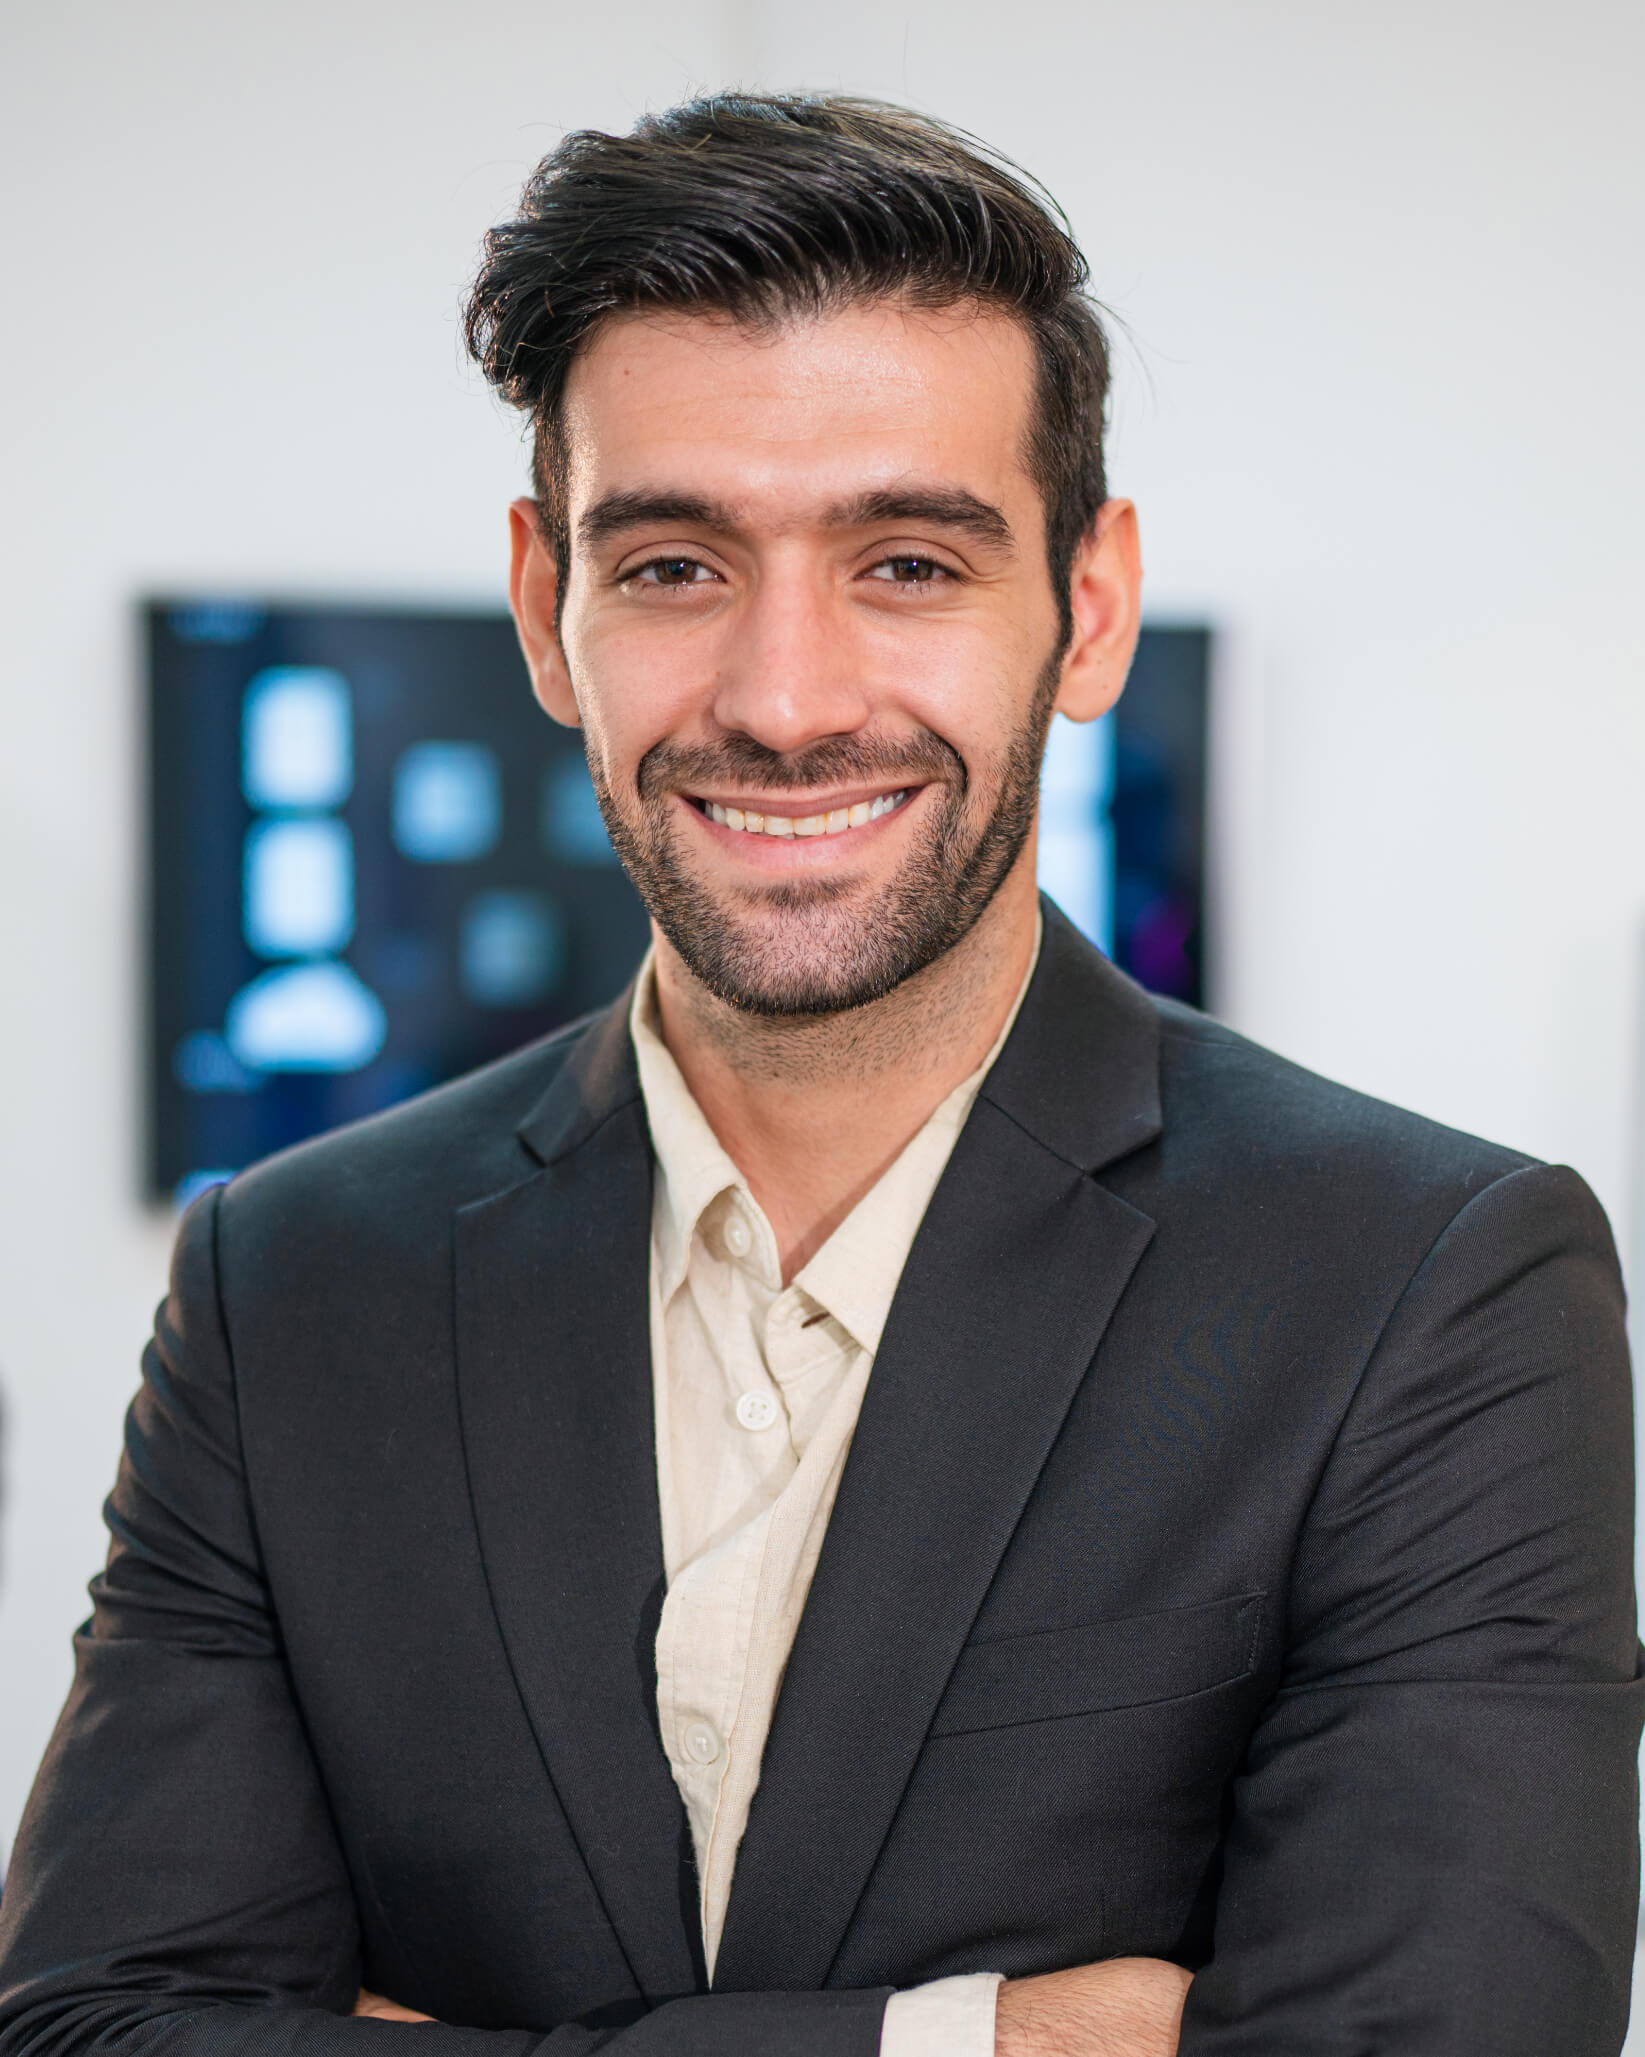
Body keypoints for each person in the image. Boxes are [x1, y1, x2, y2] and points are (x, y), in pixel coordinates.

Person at [0, 93, 1638, 2057]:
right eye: (673, 565)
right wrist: (964, 2042)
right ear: (545, 610)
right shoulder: (290, 1283)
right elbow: (98, 2030)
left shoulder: (1427, 1284)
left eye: (910, 563)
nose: (784, 703)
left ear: (1088, 607)